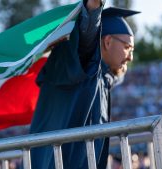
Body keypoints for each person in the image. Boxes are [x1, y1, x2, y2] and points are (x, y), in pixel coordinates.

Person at [29, 0, 139, 168]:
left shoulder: (103, 77)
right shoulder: (80, 63)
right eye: (127, 47)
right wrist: (94, 8)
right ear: (107, 41)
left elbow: (117, 76)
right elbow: (87, 38)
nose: (130, 57)